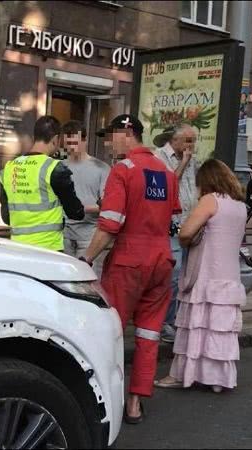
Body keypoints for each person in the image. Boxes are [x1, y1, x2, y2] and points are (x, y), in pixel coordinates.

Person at [82, 114, 181, 424]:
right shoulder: (167, 173)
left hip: (128, 261)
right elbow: (171, 215)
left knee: (110, 330)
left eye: (111, 136)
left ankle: (101, 399)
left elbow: (111, 224)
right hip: (162, 261)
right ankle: (135, 402)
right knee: (149, 334)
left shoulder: (122, 170)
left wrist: (86, 259)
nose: (109, 143)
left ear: (127, 132)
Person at [154, 159, 248, 393]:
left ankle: (183, 375)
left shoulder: (210, 200)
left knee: (197, 327)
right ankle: (217, 379)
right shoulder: (239, 205)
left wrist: (186, 239)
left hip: (206, 273)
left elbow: (186, 232)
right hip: (229, 277)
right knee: (219, 330)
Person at [0, 116, 84, 251]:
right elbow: (76, 213)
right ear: (55, 139)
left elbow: (6, 217)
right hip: (49, 248)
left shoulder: (9, 168)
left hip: (18, 247)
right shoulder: (54, 169)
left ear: (34, 137)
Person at [154, 124, 199, 344]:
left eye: (194, 140)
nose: (192, 145)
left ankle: (178, 319)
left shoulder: (191, 160)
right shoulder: (159, 157)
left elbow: (193, 189)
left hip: (190, 224)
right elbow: (168, 185)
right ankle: (164, 322)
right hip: (170, 224)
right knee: (174, 274)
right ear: (174, 139)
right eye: (188, 140)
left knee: (187, 275)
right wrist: (183, 163)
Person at [61, 120, 111, 276]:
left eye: (75, 142)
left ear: (84, 140)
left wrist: (80, 208)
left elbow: (108, 205)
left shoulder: (101, 168)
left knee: (87, 279)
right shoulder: (60, 167)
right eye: (68, 143)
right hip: (64, 232)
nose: (71, 147)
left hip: (89, 233)